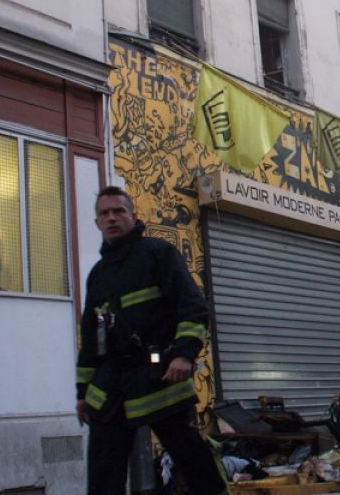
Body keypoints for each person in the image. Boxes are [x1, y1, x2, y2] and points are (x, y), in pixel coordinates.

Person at [75, 186, 227, 495]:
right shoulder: (97, 276)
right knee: (103, 472)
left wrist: (184, 355)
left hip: (159, 376)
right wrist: (82, 392)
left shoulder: (157, 254)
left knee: (192, 460)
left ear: (133, 215)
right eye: (104, 213)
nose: (112, 218)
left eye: (119, 211)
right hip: (110, 386)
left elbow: (193, 308)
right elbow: (91, 339)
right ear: (96, 222)